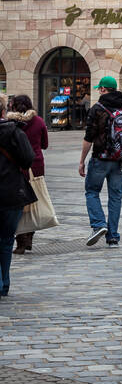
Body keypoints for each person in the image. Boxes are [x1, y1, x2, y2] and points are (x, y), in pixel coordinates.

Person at [79, 77, 122, 247]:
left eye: (100, 88)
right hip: (120, 159)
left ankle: (98, 224)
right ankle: (113, 237)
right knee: (116, 197)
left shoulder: (98, 109)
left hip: (100, 158)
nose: (99, 91)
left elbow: (88, 138)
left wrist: (82, 161)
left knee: (91, 191)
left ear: (104, 89)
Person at [0, 95, 36, 297]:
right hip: (12, 192)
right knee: (6, 240)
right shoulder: (14, 132)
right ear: (4, 111)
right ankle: (4, 282)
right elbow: (27, 160)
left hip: (11, 193)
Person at [7, 95, 49, 253]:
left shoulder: (11, 123)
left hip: (17, 167)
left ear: (14, 107)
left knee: (19, 203)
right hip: (36, 166)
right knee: (34, 202)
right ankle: (29, 236)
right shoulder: (38, 121)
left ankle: (21, 241)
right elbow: (45, 144)